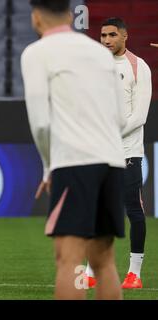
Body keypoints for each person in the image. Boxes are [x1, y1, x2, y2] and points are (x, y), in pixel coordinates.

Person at [21, 0, 127, 299]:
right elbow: (120, 116)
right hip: (112, 162)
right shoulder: (100, 52)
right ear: (70, 15)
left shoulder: (37, 52)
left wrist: (48, 165)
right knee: (104, 262)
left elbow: (40, 122)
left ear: (36, 17)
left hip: (75, 164)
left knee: (70, 262)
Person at [85, 18, 152, 290]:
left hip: (127, 153)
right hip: (98, 152)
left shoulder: (139, 67)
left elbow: (140, 115)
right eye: (103, 35)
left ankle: (134, 273)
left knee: (133, 211)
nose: (106, 40)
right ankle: (90, 271)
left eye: (112, 35)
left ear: (125, 36)